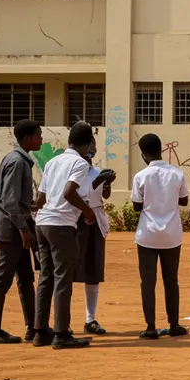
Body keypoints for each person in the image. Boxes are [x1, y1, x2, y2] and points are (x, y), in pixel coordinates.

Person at [32, 122, 96, 349]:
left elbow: (40, 198)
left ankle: (40, 332)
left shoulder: (52, 161)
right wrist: (88, 212)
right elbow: (69, 192)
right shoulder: (80, 163)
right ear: (88, 143)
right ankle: (61, 333)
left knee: (46, 277)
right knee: (62, 278)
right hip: (61, 225)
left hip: (42, 223)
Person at [0, 119, 42, 344]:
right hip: (11, 229)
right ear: (27, 138)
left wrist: (31, 205)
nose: (41, 139)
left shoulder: (20, 160)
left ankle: (33, 326)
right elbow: (9, 202)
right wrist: (23, 229)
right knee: (2, 279)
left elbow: (15, 199)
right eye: (38, 135)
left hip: (17, 226)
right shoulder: (17, 162)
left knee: (26, 278)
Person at [131, 133, 189, 339]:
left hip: (148, 234)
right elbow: (184, 201)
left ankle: (151, 326)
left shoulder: (141, 176)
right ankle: (174, 324)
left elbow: (137, 207)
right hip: (171, 235)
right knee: (171, 280)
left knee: (147, 281)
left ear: (144, 154)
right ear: (161, 150)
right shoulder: (177, 173)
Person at [75, 138, 115, 336]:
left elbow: (102, 196)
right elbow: (80, 194)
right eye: (88, 146)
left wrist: (106, 183)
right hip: (76, 220)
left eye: (93, 147)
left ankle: (90, 319)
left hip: (95, 222)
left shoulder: (96, 171)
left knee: (93, 271)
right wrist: (97, 182)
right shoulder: (75, 170)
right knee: (69, 270)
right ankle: (60, 320)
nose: (91, 150)